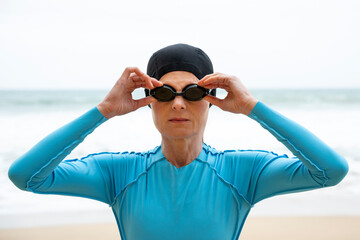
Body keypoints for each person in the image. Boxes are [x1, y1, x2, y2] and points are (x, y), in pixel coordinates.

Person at [8, 43, 348, 240]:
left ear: (212, 99)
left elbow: (330, 171)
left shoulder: (244, 171)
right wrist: (104, 110)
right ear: (149, 101)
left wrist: (251, 107)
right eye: (166, 93)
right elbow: (26, 176)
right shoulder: (119, 173)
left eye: (195, 92)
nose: (180, 103)